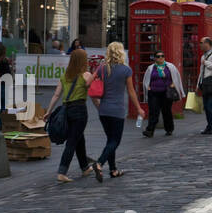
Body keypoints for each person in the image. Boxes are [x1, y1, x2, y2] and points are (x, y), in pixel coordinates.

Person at [91, 42, 144, 180]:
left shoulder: (102, 68)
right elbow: (131, 92)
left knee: (110, 140)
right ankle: (99, 163)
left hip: (103, 110)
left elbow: (88, 84)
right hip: (117, 111)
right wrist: (139, 108)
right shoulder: (126, 70)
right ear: (121, 52)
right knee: (115, 141)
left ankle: (113, 170)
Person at [45, 48, 94, 183]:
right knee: (72, 141)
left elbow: (56, 95)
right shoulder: (86, 75)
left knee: (79, 138)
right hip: (79, 110)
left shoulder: (65, 76)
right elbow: (94, 91)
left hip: (66, 110)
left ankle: (85, 167)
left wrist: (48, 111)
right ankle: (62, 171)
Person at [142, 49, 183, 136]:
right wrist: (148, 87)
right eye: (158, 56)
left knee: (166, 111)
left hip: (166, 93)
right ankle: (150, 130)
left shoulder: (170, 66)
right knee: (153, 111)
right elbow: (146, 79)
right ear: (155, 58)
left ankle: (169, 129)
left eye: (162, 56)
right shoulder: (151, 68)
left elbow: (176, 77)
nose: (160, 58)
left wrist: (173, 84)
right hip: (153, 93)